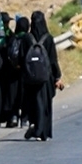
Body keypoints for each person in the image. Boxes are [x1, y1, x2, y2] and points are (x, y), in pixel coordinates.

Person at [23, 11, 63, 141]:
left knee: (33, 103)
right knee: (44, 104)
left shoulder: (27, 38)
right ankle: (43, 131)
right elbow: (53, 60)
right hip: (46, 78)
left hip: (30, 78)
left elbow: (21, 58)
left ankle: (35, 127)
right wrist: (57, 77)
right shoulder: (48, 38)